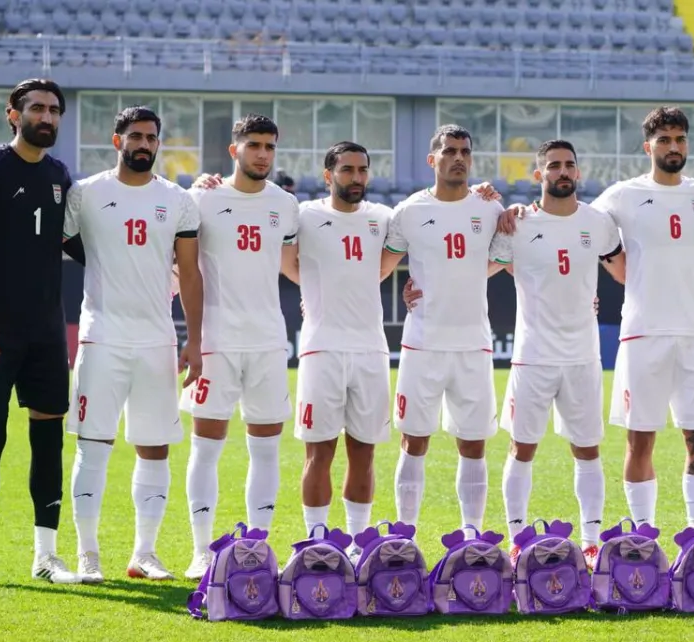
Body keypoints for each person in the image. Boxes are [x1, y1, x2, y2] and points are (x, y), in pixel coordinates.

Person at [63, 106, 204, 583]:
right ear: (117, 139)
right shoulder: (86, 193)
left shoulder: (177, 199)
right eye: (135, 136)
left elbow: (189, 273)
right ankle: (88, 554)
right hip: (101, 337)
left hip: (157, 341)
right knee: (94, 445)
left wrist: (194, 341)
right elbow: (61, 244)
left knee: (155, 447)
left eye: (151, 137)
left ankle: (145, 553)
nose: (144, 144)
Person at [0, 79, 86, 588]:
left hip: (45, 333)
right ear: (13, 115)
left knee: (48, 442)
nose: (48, 117)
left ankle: (46, 555)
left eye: (55, 110)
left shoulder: (59, 173)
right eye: (37, 108)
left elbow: (82, 244)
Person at [584, 106, 694, 529]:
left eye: (680, 139)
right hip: (643, 334)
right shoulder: (622, 194)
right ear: (648, 147)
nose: (673, 146)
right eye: (664, 140)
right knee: (639, 442)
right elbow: (577, 230)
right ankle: (643, 536)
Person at [484, 140, 624, 567]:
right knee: (522, 447)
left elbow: (626, 272)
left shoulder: (599, 223)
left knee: (588, 450)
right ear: (538, 174)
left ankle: (592, 539)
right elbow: (476, 268)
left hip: (582, 356)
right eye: (553, 166)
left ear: (578, 172)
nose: (562, 172)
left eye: (569, 165)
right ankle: (517, 537)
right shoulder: (518, 224)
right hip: (533, 355)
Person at [181, 114, 300, 579]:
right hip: (217, 343)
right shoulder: (203, 197)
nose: (263, 154)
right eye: (253, 145)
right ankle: (200, 551)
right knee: (205, 448)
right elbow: (181, 264)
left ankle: (258, 547)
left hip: (269, 342)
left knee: (266, 451)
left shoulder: (286, 205)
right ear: (234, 150)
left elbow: (294, 263)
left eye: (269, 146)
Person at [379, 125, 505, 534]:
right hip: (423, 345)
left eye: (465, 152)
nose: (458, 158)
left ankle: (472, 535)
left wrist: (466, 278)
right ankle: (405, 536)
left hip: (473, 345)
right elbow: (381, 267)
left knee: (473, 444)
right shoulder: (409, 212)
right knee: (414, 441)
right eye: (449, 151)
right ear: (432, 160)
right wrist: (409, 292)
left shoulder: (489, 209)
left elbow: (502, 257)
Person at [280, 142, 393, 555]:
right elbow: (287, 262)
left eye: (362, 170)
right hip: (321, 350)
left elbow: (388, 265)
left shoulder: (383, 218)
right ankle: (316, 542)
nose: (356, 177)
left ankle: (359, 544)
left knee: (364, 454)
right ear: (328, 175)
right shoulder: (305, 215)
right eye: (347, 170)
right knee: (319, 453)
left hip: (370, 351)